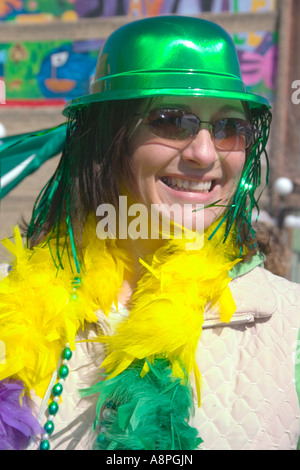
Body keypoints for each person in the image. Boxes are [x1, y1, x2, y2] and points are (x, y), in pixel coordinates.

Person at [0, 15, 299, 451]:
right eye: (172, 120)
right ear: (108, 138)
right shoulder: (10, 303)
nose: (203, 152)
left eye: (229, 127)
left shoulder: (288, 326)